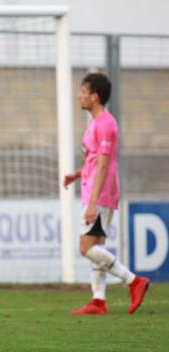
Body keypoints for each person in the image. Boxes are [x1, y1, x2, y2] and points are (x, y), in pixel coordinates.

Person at [64, 72, 149, 315]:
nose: (79, 95)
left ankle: (133, 281)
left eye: (83, 91)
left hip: (99, 195)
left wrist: (92, 203)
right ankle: (98, 300)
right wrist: (78, 174)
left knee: (86, 247)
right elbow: (95, 163)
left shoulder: (106, 124)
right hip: (96, 191)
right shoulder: (96, 123)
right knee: (97, 246)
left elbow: (104, 165)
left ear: (95, 96)